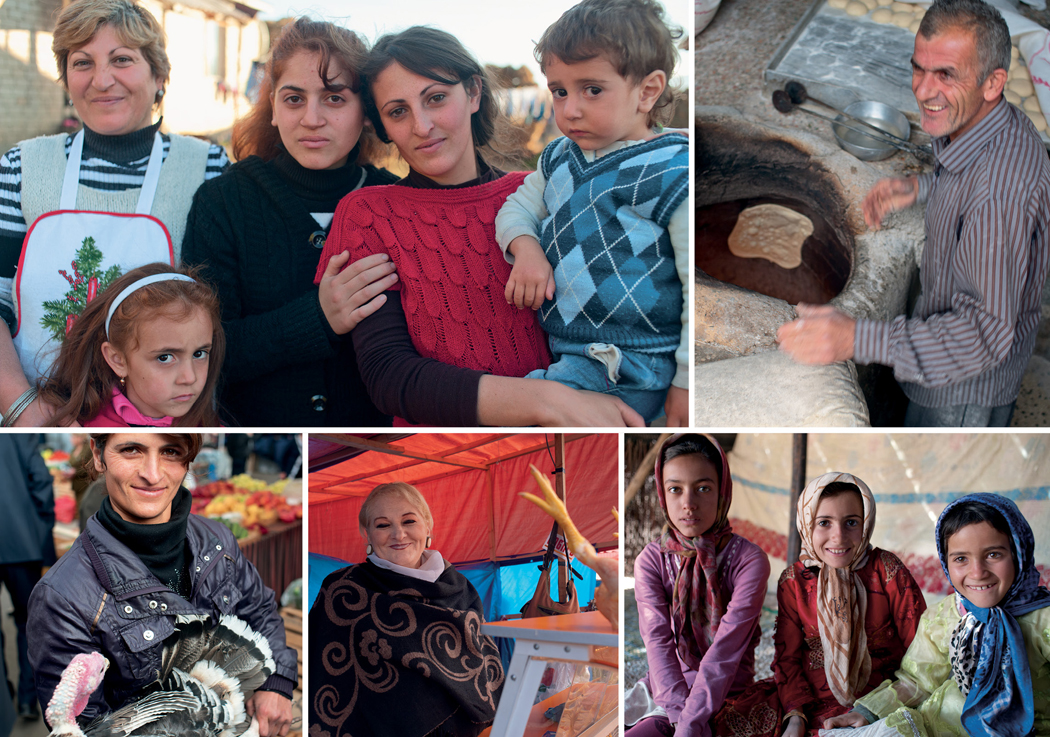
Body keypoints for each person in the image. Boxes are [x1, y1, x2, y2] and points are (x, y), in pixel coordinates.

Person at [315, 26, 645, 427]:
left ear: (473, 92)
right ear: (382, 127)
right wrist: (545, 401)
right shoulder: (369, 214)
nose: (422, 126)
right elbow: (388, 377)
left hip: (574, 431)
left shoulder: (544, 194)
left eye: (436, 98)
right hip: (449, 447)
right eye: (397, 111)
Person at [776, 0, 1050, 428]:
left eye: (946, 74)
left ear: (993, 82)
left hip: (961, 393)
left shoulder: (999, 197)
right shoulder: (995, 125)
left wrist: (855, 337)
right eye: (918, 68)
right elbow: (971, 187)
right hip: (947, 356)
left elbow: (984, 335)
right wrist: (923, 187)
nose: (922, 90)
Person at [0, 0, 229, 426]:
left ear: (159, 75)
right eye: (82, 62)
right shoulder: (21, 166)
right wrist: (21, 406)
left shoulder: (207, 168)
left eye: (122, 59)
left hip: (164, 422)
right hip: (39, 414)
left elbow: (222, 311)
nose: (102, 80)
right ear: (66, 78)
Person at [182, 18, 399, 426]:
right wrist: (318, 319)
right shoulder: (224, 202)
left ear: (366, 112)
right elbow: (203, 354)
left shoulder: (398, 201)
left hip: (371, 447)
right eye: (294, 99)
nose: (311, 118)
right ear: (273, 109)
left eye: (334, 99)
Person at [494, 0, 689, 426]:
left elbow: (697, 291)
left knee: (525, 416)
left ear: (648, 91)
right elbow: (517, 208)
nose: (570, 109)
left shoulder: (673, 170)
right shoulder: (560, 158)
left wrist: (686, 385)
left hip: (635, 361)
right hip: (575, 351)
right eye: (559, 91)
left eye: (592, 90)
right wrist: (526, 250)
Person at [26, 433, 296, 736]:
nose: (152, 474)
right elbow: (81, 725)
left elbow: (260, 611)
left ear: (188, 459)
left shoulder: (218, 541)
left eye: (171, 451)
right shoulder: (63, 598)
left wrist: (278, 683)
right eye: (130, 450)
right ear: (98, 455)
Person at [713, 474, 926, 737]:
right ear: (806, 525)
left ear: (867, 523)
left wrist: (882, 705)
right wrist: (795, 716)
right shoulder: (794, 582)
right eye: (824, 523)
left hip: (880, 698)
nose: (838, 536)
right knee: (729, 723)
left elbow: (921, 650)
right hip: (808, 699)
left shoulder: (887, 570)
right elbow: (787, 658)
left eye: (851, 523)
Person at [822, 493, 1050, 737]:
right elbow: (918, 681)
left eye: (993, 554)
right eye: (961, 558)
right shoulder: (944, 616)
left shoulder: (1043, 620)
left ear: (1019, 552)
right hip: (939, 726)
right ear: (945, 562)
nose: (977, 572)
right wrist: (868, 713)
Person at [309, 482, 504, 737]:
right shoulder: (344, 590)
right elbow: (324, 673)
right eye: (382, 525)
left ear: (427, 525)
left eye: (408, 521)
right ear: (366, 533)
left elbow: (484, 663)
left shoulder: (459, 588)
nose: (398, 534)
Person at [625, 434, 771, 737]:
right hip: (669, 693)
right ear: (663, 495)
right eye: (675, 489)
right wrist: (680, 716)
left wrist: (691, 724)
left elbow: (725, 653)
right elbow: (657, 643)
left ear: (722, 492)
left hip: (730, 693)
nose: (688, 504)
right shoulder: (652, 561)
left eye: (703, 488)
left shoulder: (748, 561)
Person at [37, 263, 224, 427]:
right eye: (165, 357)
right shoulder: (80, 428)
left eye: (199, 354)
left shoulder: (211, 427)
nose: (189, 377)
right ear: (118, 360)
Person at [0, 436, 57, 721]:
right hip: (22, 543)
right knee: (29, 623)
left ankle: (5, 701)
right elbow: (41, 482)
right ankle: (26, 699)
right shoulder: (20, 437)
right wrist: (41, 527)